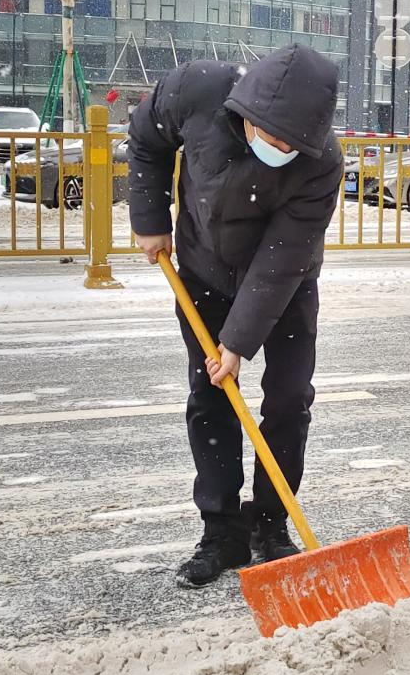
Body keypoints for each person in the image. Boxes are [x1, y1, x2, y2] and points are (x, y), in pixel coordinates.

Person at [128, 44, 343, 588]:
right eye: (273, 137)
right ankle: (221, 531)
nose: (282, 150)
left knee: (289, 400)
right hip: (204, 271)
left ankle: (271, 523)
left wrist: (238, 343)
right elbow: (147, 138)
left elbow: (282, 257)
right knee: (211, 395)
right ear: (247, 113)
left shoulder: (322, 162)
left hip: (286, 282)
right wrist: (150, 218)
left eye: (293, 145)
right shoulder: (195, 90)